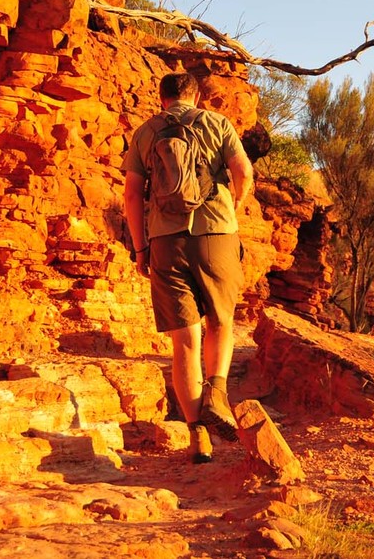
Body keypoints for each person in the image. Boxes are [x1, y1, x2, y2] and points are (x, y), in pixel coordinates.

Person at [122, 72, 254, 464]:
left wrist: (141, 247)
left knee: (185, 342)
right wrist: (235, 207)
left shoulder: (146, 132)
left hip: (165, 241)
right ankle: (218, 392)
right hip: (217, 233)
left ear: (161, 97)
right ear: (196, 96)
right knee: (221, 320)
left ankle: (199, 438)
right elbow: (243, 172)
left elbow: (131, 193)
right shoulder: (217, 123)